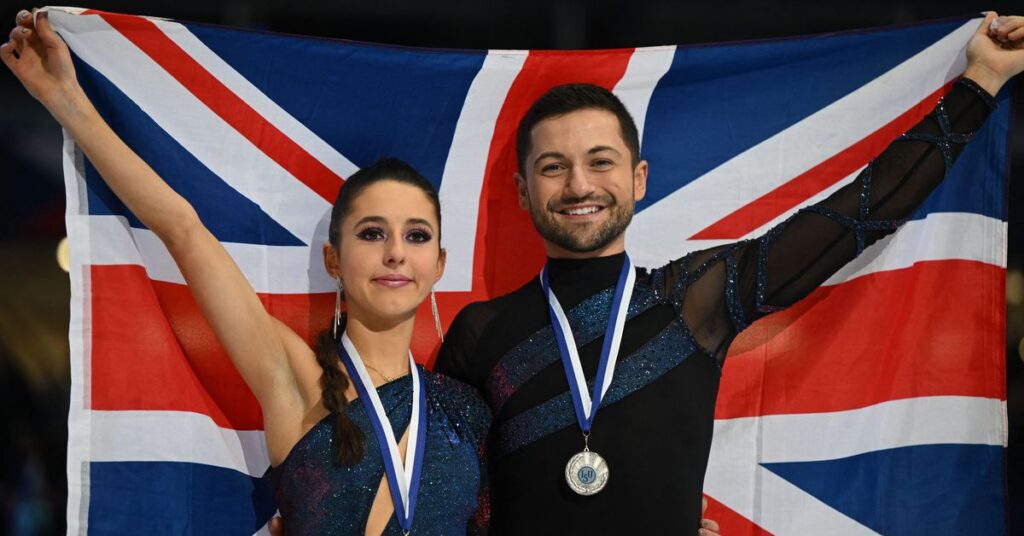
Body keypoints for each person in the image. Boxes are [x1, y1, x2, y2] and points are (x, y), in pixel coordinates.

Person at [428, 12, 1024, 535]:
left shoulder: (694, 299)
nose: (580, 185)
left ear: (638, 179)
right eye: (553, 167)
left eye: (600, 161)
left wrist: (982, 82)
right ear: (524, 193)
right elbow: (437, 505)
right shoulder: (478, 334)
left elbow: (856, 217)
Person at [2, 10, 492, 535]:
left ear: (439, 264)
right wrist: (67, 103)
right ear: (333, 259)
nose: (396, 253)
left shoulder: (467, 409)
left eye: (416, 235)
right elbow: (183, 232)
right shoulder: (294, 376)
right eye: (372, 233)